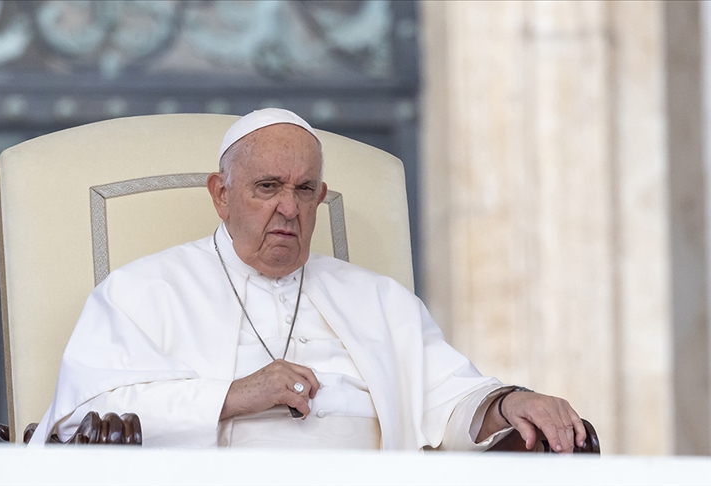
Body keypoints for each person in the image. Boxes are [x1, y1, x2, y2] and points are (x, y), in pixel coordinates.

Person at [29, 108, 585, 452]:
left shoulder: (380, 300)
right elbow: (83, 417)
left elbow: (450, 400)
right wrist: (234, 395)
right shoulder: (141, 292)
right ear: (220, 195)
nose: (288, 209)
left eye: (303, 190)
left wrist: (511, 403)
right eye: (267, 187)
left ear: (320, 198)